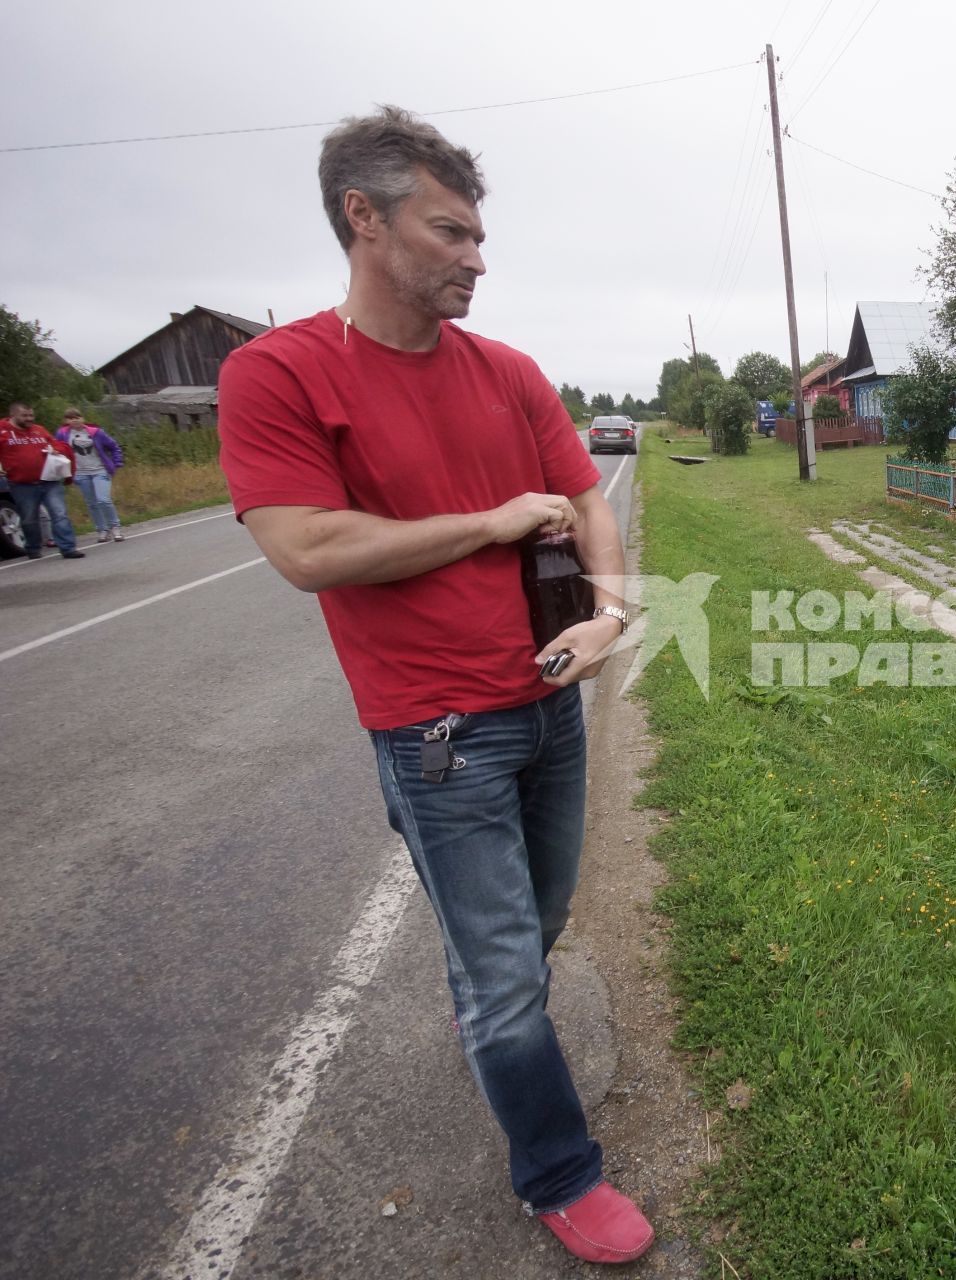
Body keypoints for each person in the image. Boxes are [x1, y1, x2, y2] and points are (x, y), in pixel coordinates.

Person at [216, 107, 649, 1265]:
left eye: (478, 234)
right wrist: (488, 523)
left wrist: (609, 610)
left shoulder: (507, 371)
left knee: (535, 929)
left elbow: (590, 496)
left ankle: (495, 1018)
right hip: (438, 732)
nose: (476, 256)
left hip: (551, 708)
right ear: (364, 219)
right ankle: (561, 1172)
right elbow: (305, 546)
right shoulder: (278, 372)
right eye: (449, 231)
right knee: (506, 976)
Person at [1, 402, 84, 559]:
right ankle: (33, 547)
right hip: (22, 484)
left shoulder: (39, 430)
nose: (29, 419)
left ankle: (68, 547)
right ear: (13, 416)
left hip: (49, 480)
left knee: (59, 513)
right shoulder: (3, 432)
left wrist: (56, 450)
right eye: (24, 416)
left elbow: (56, 444)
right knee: (29, 519)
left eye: (31, 415)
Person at [57, 409, 125, 543]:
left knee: (103, 499)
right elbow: (58, 449)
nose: (75, 420)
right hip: (80, 473)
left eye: (77, 417)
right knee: (91, 503)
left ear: (82, 418)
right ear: (66, 421)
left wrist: (116, 463)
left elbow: (113, 446)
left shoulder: (95, 432)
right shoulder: (63, 434)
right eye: (71, 418)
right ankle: (102, 530)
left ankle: (115, 526)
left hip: (99, 470)